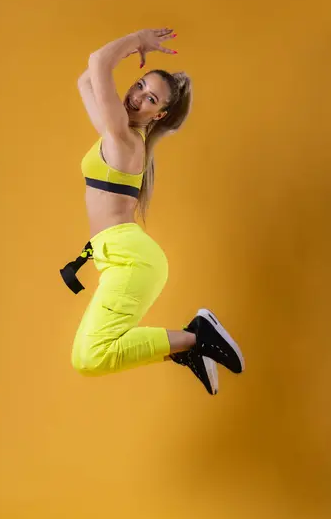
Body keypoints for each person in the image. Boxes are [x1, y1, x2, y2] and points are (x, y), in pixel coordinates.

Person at [60, 28, 245, 395]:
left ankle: (197, 339)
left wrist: (137, 41)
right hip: (120, 258)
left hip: (132, 260)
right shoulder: (116, 134)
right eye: (140, 85)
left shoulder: (125, 140)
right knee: (90, 355)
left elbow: (98, 62)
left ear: (158, 115)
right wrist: (129, 50)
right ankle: (188, 347)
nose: (137, 97)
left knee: (90, 357)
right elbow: (86, 79)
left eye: (150, 98)